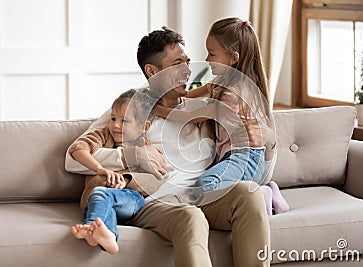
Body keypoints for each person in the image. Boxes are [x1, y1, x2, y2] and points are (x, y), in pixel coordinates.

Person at [65, 25, 271, 267]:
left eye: (187, 61)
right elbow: (72, 160)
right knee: (190, 216)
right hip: (154, 201)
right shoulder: (129, 109)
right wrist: (133, 155)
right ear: (152, 71)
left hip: (202, 195)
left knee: (249, 194)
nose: (187, 70)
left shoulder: (202, 111)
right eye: (176, 64)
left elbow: (246, 148)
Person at [156, 17, 289, 214]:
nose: (207, 59)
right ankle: (269, 190)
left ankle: (261, 194)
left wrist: (158, 109)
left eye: (212, 54)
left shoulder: (232, 93)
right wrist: (176, 96)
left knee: (206, 185)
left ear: (233, 58)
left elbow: (193, 117)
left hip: (244, 158)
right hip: (237, 158)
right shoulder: (226, 81)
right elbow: (198, 91)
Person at [68, 88, 160, 254]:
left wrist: (125, 180)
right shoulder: (103, 136)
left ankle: (91, 228)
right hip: (94, 198)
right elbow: (77, 149)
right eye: (113, 118)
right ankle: (106, 235)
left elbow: (155, 181)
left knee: (104, 194)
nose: (115, 125)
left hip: (129, 200)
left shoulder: (145, 147)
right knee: (100, 194)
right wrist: (99, 169)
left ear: (143, 126)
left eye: (124, 121)